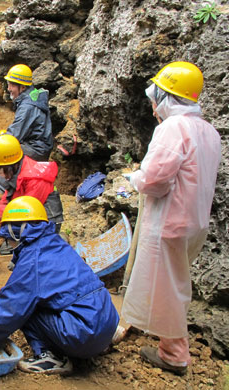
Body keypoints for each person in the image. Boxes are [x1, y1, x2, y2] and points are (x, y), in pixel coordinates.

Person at [120, 61, 221, 375]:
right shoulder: (208, 130)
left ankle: (174, 354)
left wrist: (134, 178)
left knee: (168, 287)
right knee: (173, 282)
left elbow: (155, 179)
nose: (153, 106)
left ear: (166, 98)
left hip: (169, 221)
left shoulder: (173, 128)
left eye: (156, 98)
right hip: (194, 222)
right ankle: (162, 337)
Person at [0, 196, 119, 374]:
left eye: (7, 236)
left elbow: (13, 306)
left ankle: (50, 357)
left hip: (84, 334)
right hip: (105, 322)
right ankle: (98, 344)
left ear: (16, 231)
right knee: (38, 300)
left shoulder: (32, 260)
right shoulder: (56, 244)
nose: (7, 243)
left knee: (27, 309)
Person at [0, 134, 63, 253]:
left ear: (9, 166)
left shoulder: (35, 180)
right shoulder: (18, 170)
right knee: (7, 243)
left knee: (10, 250)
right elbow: (12, 194)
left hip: (44, 220)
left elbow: (26, 210)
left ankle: (56, 241)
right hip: (29, 214)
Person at [3, 64, 54, 161]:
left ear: (22, 87)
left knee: (2, 151)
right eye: (8, 84)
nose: (9, 88)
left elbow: (14, 135)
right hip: (39, 146)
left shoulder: (27, 106)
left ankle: (12, 176)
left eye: (12, 85)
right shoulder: (32, 95)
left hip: (36, 149)